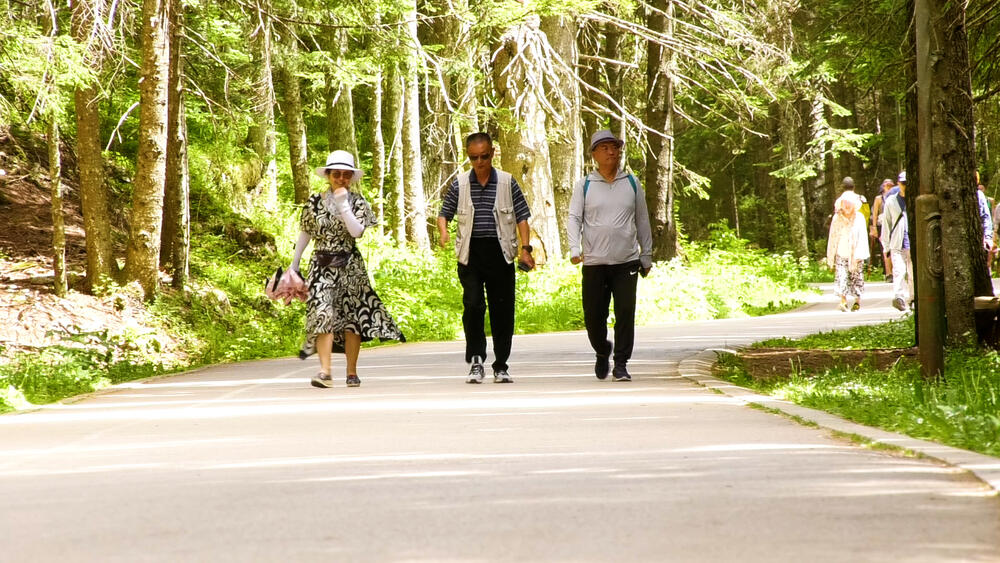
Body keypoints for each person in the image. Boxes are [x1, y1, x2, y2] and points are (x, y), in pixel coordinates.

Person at [290, 150, 405, 388]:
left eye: (346, 175)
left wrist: (343, 205)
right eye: (336, 174)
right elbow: (306, 231)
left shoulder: (358, 202)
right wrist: (294, 264)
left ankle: (351, 372)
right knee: (323, 314)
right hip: (320, 264)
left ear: (351, 177)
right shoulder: (314, 201)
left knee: (353, 318)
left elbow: (356, 232)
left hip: (350, 265)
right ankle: (325, 371)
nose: (341, 179)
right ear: (328, 175)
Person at [437, 132, 534, 384]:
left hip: (500, 252)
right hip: (470, 254)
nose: (479, 162)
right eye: (474, 157)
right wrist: (444, 232)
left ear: (492, 153)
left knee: (502, 309)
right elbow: (444, 213)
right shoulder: (460, 184)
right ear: (468, 157)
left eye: (484, 156)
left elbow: (522, 216)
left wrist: (526, 248)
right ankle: (477, 360)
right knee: (473, 306)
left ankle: (501, 364)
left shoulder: (507, 182)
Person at [567, 130, 653, 382]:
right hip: (594, 262)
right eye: (604, 148)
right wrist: (575, 248)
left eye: (614, 147)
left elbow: (642, 219)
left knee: (626, 311)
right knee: (594, 315)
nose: (611, 152)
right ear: (594, 154)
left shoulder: (631, 183)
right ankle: (602, 350)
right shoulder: (584, 186)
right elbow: (574, 218)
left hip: (626, 260)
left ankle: (621, 363)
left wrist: (645, 255)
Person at [827, 181, 870, 312]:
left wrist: (860, 254)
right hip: (841, 251)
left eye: (849, 204)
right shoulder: (836, 218)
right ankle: (843, 301)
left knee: (857, 277)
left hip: (856, 253)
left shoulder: (859, 218)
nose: (847, 206)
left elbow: (863, 236)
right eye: (845, 203)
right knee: (841, 276)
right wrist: (831, 256)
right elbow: (832, 237)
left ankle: (857, 301)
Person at [881, 171, 913, 311]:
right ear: (898, 184)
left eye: (906, 183)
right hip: (897, 242)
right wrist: (886, 246)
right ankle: (898, 297)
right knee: (899, 271)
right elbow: (886, 225)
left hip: (912, 243)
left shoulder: (914, 200)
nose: (905, 186)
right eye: (903, 183)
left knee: (912, 273)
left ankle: (912, 298)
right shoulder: (891, 201)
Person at [869, 179, 895, 281]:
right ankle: (888, 273)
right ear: (883, 187)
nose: (889, 188)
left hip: (893, 225)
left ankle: (893, 272)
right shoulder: (879, 199)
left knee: (893, 249)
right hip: (881, 226)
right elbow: (874, 214)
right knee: (885, 249)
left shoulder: (894, 197)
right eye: (887, 186)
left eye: (891, 186)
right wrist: (874, 227)